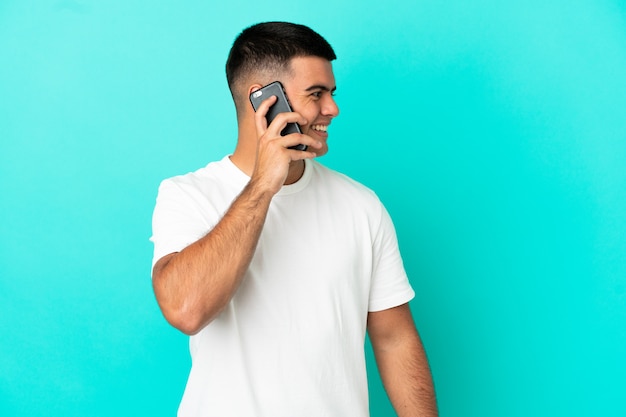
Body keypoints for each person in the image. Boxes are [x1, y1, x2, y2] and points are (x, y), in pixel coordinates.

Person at [150, 21, 437, 417]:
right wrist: (265, 185)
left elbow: (394, 339)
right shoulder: (189, 194)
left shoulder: (361, 205)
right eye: (316, 94)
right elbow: (186, 309)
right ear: (263, 101)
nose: (332, 109)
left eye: (331, 94)